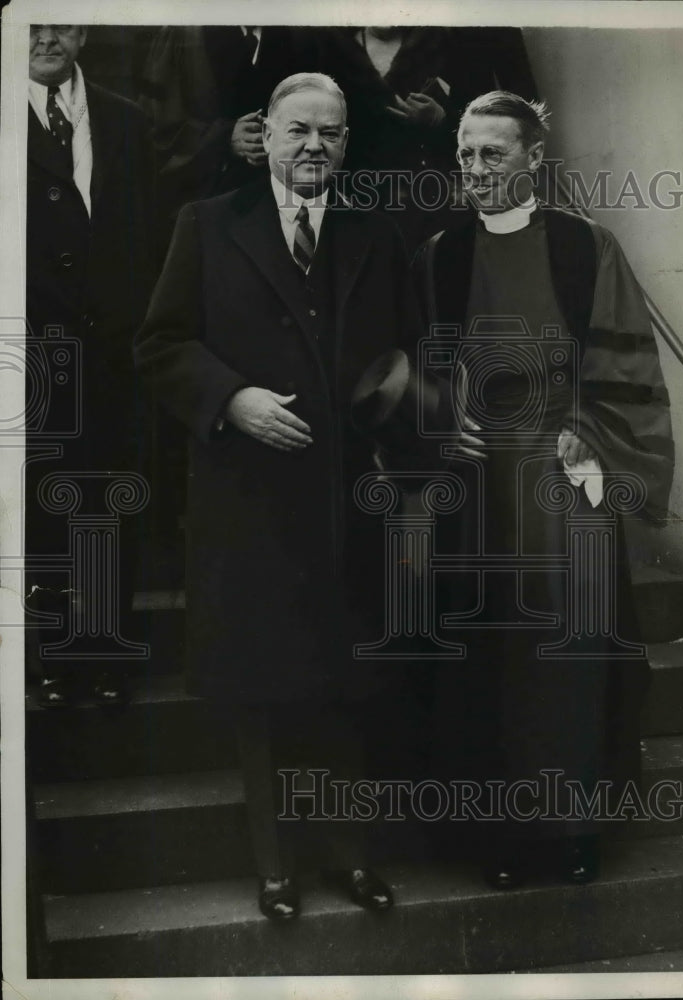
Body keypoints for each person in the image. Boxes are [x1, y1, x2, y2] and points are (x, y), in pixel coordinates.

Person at [135, 73, 425, 921]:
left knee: (344, 687)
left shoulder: (376, 232)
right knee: (261, 693)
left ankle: (350, 857)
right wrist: (232, 399)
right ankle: (275, 869)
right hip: (249, 504)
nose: (314, 148)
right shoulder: (208, 224)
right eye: (298, 131)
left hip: (346, 507)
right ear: (264, 134)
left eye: (331, 134)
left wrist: (394, 432)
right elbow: (159, 345)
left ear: (346, 142)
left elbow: (408, 353)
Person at [412, 91, 674, 887]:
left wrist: (590, 437)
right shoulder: (439, 254)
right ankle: (500, 839)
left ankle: (572, 832)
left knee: (566, 663)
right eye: (464, 154)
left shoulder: (585, 247)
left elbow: (628, 366)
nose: (476, 170)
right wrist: (438, 422)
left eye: (493, 153)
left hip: (565, 479)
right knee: (487, 657)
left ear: (533, 158)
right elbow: (418, 365)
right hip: (477, 483)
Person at [25, 24, 157, 707]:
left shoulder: (125, 120)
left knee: (110, 503)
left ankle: (106, 654)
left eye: (62, 21)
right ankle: (48, 656)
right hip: (25, 357)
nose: (46, 36)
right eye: (32, 21)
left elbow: (147, 233)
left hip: (111, 352)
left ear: (85, 29)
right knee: (41, 507)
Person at [317, 26, 537, 254]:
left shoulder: (480, 29)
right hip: (364, 192)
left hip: (450, 186)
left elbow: (522, 112)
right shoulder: (338, 40)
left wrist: (444, 120)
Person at [138, 26, 320, 242]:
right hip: (207, 208)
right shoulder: (185, 33)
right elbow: (156, 128)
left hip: (282, 213)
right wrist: (224, 138)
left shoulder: (303, 36)